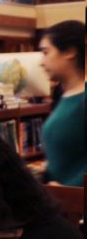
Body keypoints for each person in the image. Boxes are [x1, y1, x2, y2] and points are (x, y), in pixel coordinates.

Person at [39, 20, 86, 187]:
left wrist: (70, 189)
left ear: (69, 52)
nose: (41, 62)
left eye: (46, 52)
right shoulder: (64, 95)